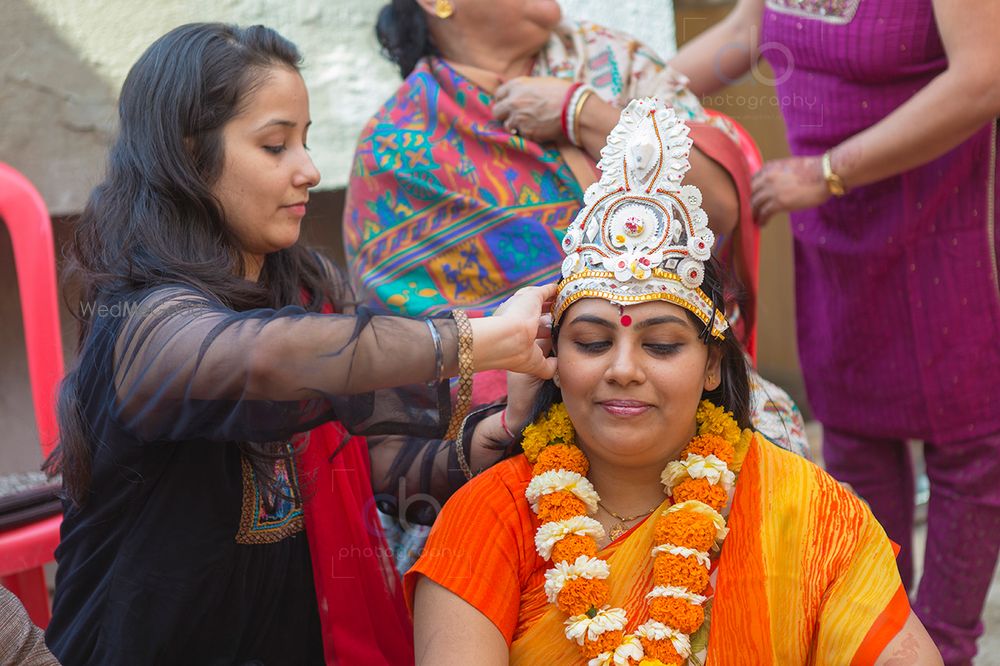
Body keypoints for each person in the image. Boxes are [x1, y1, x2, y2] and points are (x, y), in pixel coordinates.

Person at [41, 23, 555, 665]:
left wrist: (500, 428)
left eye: (306, 142)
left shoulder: (309, 288)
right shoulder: (142, 322)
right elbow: (261, 360)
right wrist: (477, 338)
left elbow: (369, 467)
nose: (309, 170)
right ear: (188, 153)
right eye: (275, 145)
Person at [406, 99, 943, 665]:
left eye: (661, 345)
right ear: (552, 358)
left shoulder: (805, 510)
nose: (623, 369)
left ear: (713, 365)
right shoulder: (491, 517)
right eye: (591, 343)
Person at [347, 0, 811, 572]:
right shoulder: (395, 145)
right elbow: (406, 358)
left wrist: (585, 114)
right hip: (512, 434)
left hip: (678, 406)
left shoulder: (611, 65)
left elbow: (719, 204)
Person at [669, 1, 1000, 662]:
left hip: (945, 231)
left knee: (970, 447)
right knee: (852, 438)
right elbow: (745, 37)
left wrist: (828, 171)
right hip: (835, 239)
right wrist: (625, 109)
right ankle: (876, 633)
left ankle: (947, 643)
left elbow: (983, 77)